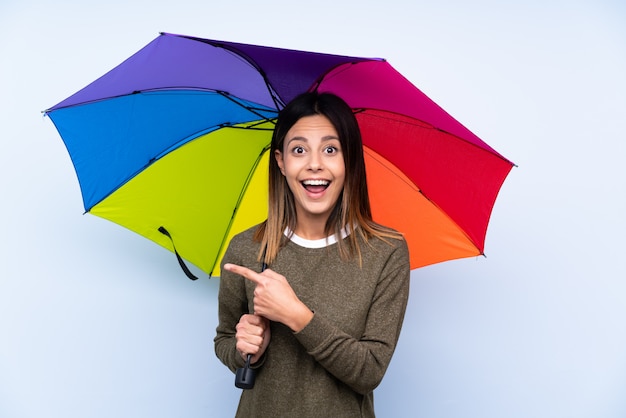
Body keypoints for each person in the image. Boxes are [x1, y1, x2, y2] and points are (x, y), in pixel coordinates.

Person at [214, 91, 410, 417]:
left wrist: (296, 315)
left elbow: (370, 371)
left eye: (330, 150)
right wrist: (246, 349)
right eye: (299, 150)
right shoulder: (247, 247)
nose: (315, 164)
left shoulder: (386, 251)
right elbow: (225, 338)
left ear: (349, 159)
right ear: (281, 161)